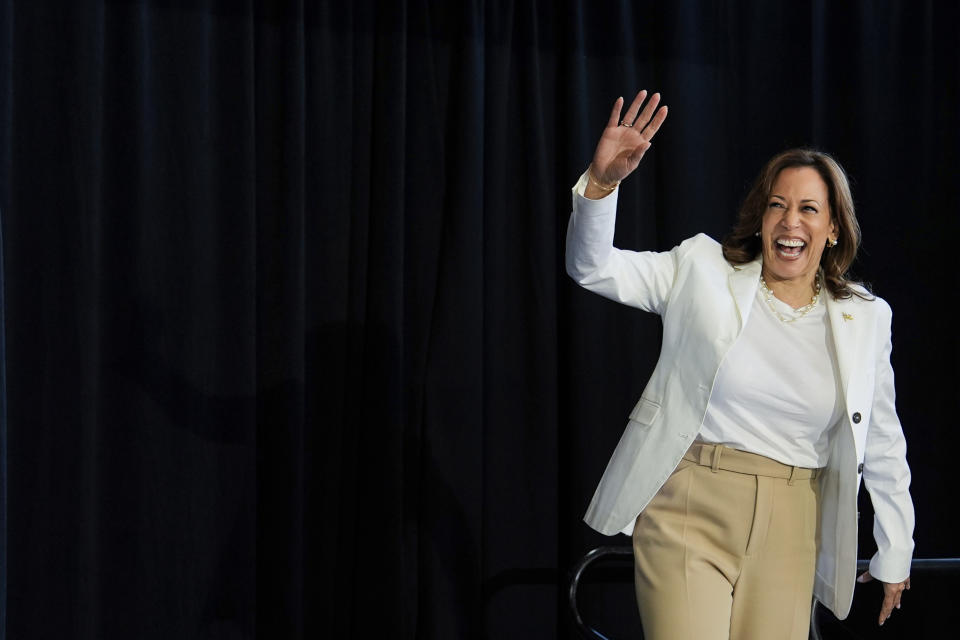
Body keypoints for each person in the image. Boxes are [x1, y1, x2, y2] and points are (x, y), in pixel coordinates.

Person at [566, 90, 914, 640]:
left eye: (808, 209)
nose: (789, 221)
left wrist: (896, 547)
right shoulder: (701, 268)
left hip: (794, 517)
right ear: (761, 217)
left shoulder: (865, 317)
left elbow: (884, 441)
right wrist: (601, 184)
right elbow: (593, 268)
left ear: (833, 231)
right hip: (689, 503)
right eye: (777, 204)